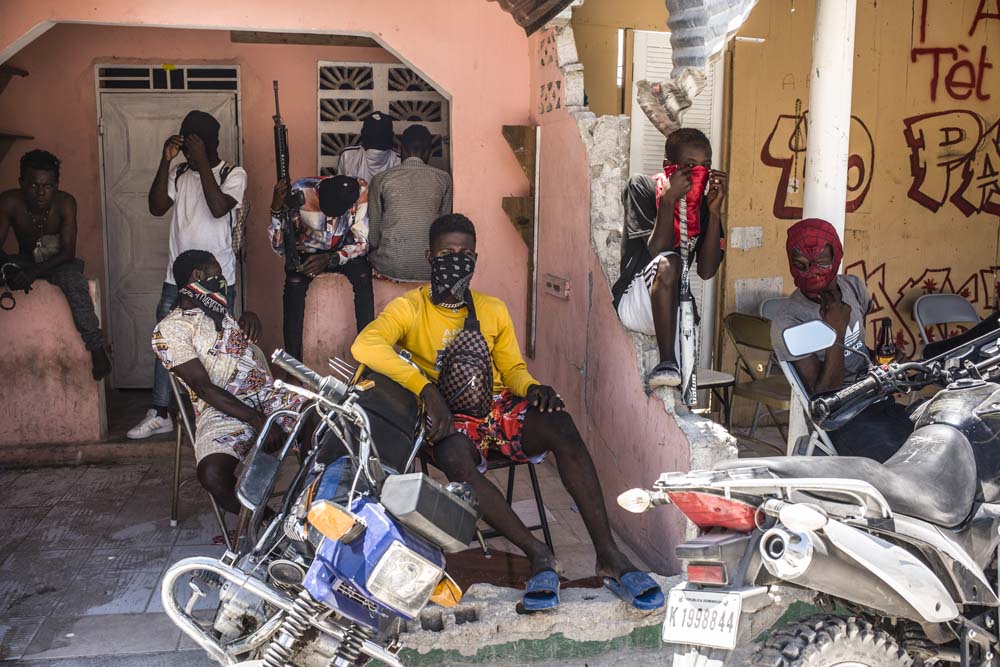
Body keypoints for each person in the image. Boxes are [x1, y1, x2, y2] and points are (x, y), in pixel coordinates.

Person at [352, 214, 664, 613]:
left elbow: (512, 369)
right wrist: (424, 388)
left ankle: (608, 555)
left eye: (465, 253)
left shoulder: (491, 309)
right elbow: (366, 347)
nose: (456, 260)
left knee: (560, 424)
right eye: (447, 252)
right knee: (451, 456)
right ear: (429, 257)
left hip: (495, 409)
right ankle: (538, 555)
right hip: (448, 418)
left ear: (476, 258)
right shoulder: (409, 309)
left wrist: (532, 388)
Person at [152, 249, 303, 514]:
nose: (222, 281)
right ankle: (270, 525)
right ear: (198, 276)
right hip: (222, 412)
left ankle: (316, 506)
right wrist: (259, 421)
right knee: (212, 474)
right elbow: (204, 388)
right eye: (217, 274)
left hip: (268, 397)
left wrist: (249, 317)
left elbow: (240, 343)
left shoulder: (220, 312)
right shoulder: (170, 329)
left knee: (323, 422)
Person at [129, 110, 247, 440]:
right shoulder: (180, 172)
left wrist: (203, 164)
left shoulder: (232, 173)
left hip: (216, 281)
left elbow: (218, 207)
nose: (185, 152)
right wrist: (166, 161)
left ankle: (220, 411)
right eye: (183, 145)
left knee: (219, 346)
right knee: (165, 341)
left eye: (191, 145)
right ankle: (160, 411)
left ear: (209, 144)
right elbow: (156, 207)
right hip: (176, 279)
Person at [771, 218, 912, 462]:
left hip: (876, 398)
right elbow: (826, 399)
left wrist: (883, 361)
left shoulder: (853, 287)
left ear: (836, 256)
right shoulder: (789, 322)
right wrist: (834, 330)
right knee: (898, 464)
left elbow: (856, 349)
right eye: (801, 265)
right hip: (843, 417)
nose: (813, 273)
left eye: (822, 262)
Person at [612, 128, 728, 389]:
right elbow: (657, 250)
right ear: (669, 167)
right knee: (669, 263)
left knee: (686, 393)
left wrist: (715, 212)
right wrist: (668, 201)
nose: (699, 173)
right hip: (636, 300)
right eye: (689, 166)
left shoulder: (704, 207)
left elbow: (707, 270)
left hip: (677, 308)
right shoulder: (642, 187)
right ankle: (666, 362)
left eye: (705, 166)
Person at [0, 150, 112, 380]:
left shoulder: (65, 203)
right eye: (33, 186)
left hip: (57, 263)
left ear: (56, 184)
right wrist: (10, 269)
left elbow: (67, 252)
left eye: (48, 186)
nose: (41, 193)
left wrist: (31, 273)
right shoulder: (9, 202)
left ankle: (97, 349)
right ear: (21, 183)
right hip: (22, 260)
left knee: (74, 282)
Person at [270, 174, 373, 361]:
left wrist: (332, 258)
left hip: (341, 252)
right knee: (293, 284)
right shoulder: (300, 193)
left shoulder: (360, 191)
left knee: (364, 276)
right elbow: (280, 248)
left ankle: (368, 359)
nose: (332, 220)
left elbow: (362, 243)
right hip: (307, 252)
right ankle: (293, 364)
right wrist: (276, 211)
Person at [367, 124, 453, 282]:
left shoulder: (381, 179)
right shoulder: (444, 179)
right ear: (429, 152)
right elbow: (444, 229)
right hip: (430, 268)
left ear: (401, 150)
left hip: (389, 267)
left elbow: (372, 238)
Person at [336, 112, 400, 181]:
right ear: (391, 136)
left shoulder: (347, 156)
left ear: (362, 134)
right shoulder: (398, 161)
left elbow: (339, 188)